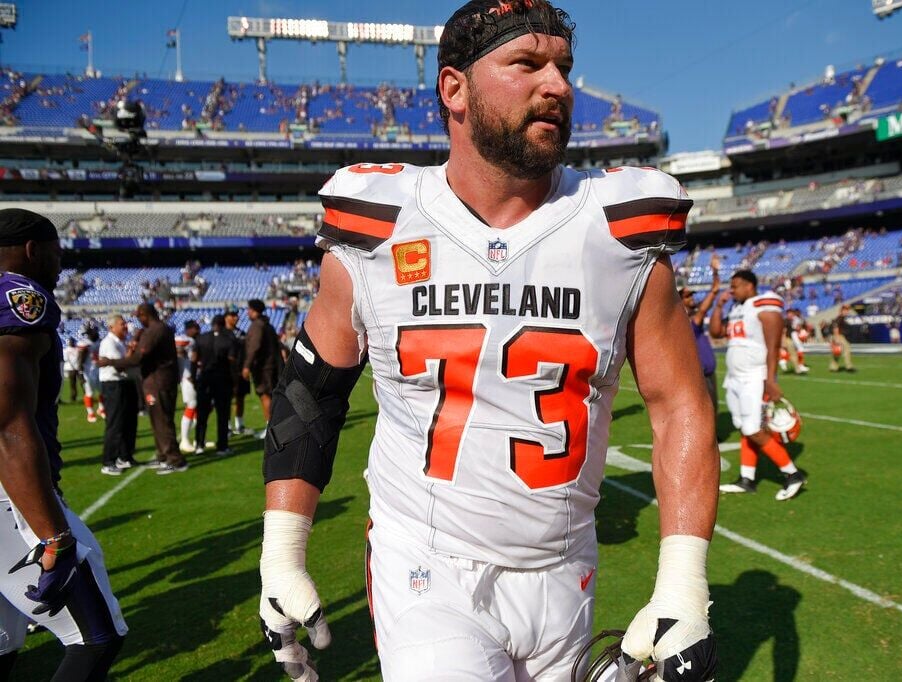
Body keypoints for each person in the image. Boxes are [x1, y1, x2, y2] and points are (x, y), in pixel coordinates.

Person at [257, 2, 719, 680]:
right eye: (527, 63)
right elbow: (312, 390)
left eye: (563, 66)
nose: (557, 85)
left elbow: (679, 401)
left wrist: (683, 581)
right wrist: (282, 548)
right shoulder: (379, 223)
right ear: (455, 90)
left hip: (567, 570)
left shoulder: (616, 229)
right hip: (427, 566)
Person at [0, 208, 127, 678]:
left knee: (4, 642)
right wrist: (53, 534)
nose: (60, 267)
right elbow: (9, 424)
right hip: (7, 495)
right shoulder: (18, 298)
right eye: (56, 255)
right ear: (33, 250)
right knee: (95, 636)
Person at [709, 270, 807, 501]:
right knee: (744, 426)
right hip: (734, 377)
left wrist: (770, 379)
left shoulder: (762, 304)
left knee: (753, 428)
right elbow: (715, 332)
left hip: (755, 377)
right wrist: (719, 305)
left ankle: (792, 474)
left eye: (736, 286)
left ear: (750, 285)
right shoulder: (735, 308)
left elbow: (773, 346)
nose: (731, 290)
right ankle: (747, 478)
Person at [98, 303, 187, 474]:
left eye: (139, 316)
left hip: (159, 381)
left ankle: (175, 460)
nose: (136, 321)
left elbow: (137, 358)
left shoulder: (154, 331)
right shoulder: (156, 330)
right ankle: (163, 456)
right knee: (157, 420)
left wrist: (109, 362)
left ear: (145, 315)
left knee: (162, 421)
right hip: (154, 381)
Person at [98, 314, 139, 476]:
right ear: (111, 327)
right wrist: (130, 353)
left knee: (128, 421)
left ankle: (125, 455)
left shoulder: (119, 342)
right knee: (115, 423)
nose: (125, 327)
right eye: (122, 324)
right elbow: (121, 366)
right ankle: (108, 461)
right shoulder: (109, 343)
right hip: (113, 385)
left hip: (124, 384)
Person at [680, 254, 721, 407]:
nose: (692, 298)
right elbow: (713, 293)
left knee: (711, 411)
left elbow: (715, 290)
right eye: (687, 296)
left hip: (708, 373)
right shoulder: (686, 321)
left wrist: (715, 272)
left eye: (692, 295)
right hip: (698, 375)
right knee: (706, 412)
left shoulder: (693, 318)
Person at [193, 315, 236, 456]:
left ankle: (199, 444)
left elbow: (194, 359)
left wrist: (194, 379)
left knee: (202, 414)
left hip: (205, 378)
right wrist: (234, 381)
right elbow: (232, 362)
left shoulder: (201, 338)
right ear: (223, 324)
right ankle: (222, 446)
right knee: (223, 414)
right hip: (222, 379)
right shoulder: (229, 340)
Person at [242, 299, 283, 440]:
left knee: (264, 395)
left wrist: (247, 366)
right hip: (271, 366)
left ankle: (270, 429)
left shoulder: (257, 326)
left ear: (254, 310)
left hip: (263, 368)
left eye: (249, 309)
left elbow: (254, 347)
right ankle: (274, 427)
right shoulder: (268, 325)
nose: (247, 312)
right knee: (270, 395)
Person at [224, 307, 252, 436]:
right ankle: (227, 427)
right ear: (226, 317)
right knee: (226, 400)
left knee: (240, 398)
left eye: (236, 315)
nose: (236, 317)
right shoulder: (222, 333)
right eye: (232, 315)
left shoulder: (241, 333)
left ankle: (239, 425)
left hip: (240, 372)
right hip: (227, 373)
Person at [176, 320, 201, 453]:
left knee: (197, 408)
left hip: (193, 377)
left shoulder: (191, 341)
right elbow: (177, 346)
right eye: (196, 328)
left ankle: (198, 439)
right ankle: (184, 440)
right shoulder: (186, 339)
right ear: (189, 329)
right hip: (187, 378)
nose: (198, 331)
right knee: (191, 406)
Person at [79, 327, 105, 423]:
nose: (95, 334)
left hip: (99, 370)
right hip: (88, 372)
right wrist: (80, 372)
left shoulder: (101, 342)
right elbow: (80, 359)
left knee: (102, 391)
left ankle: (101, 409)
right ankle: (90, 413)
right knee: (89, 393)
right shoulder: (85, 344)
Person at [829, 305, 856, 372]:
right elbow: (836, 327)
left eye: (847, 310)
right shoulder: (839, 318)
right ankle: (849, 366)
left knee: (837, 353)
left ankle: (833, 367)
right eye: (845, 310)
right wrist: (837, 338)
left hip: (838, 336)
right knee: (846, 349)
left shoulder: (842, 318)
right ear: (841, 311)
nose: (847, 312)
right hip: (839, 336)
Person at [62, 337, 82, 403]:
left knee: (82, 382)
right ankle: (73, 397)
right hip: (71, 368)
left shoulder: (77, 349)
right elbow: (65, 359)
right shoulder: (66, 350)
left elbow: (80, 357)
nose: (71, 342)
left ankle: (87, 395)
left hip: (77, 368)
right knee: (73, 384)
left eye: (72, 341)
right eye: (70, 341)